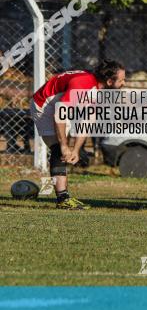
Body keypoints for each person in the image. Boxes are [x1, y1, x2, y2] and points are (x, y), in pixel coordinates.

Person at [30, 60, 126, 209]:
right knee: (58, 149)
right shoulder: (84, 85)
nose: (124, 83)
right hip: (44, 105)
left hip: (57, 106)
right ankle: (62, 199)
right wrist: (64, 146)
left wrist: (75, 149)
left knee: (64, 151)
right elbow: (59, 113)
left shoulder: (98, 91)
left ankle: (49, 192)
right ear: (108, 81)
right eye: (121, 80)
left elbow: (87, 119)